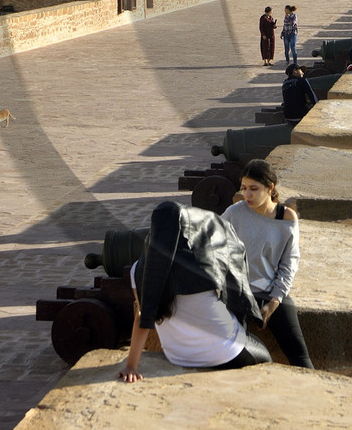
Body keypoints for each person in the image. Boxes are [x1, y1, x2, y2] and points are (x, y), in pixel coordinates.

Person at [119, 201, 270, 382]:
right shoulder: (203, 262)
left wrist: (131, 366)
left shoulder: (137, 270)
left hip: (176, 355)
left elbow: (140, 316)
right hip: (224, 353)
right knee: (265, 355)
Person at [221, 159, 313, 368]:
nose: (247, 195)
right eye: (244, 188)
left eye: (254, 189)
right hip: (238, 293)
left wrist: (275, 300)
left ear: (270, 188)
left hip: (271, 291)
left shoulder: (287, 218)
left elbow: (289, 262)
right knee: (233, 356)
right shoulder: (234, 213)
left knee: (300, 357)